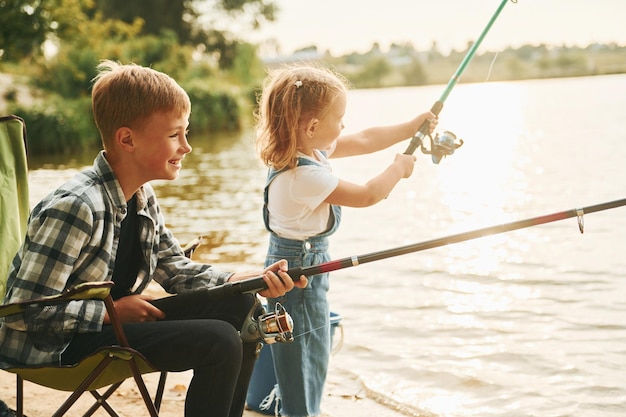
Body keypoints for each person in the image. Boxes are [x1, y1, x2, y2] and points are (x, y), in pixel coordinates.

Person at [0, 60, 307, 417]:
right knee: (219, 341)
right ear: (127, 139)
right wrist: (108, 312)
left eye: (186, 133)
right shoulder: (77, 206)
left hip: (113, 324)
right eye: (174, 135)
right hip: (58, 346)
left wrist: (246, 279)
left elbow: (176, 269)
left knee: (243, 309)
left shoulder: (142, 195)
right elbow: (25, 312)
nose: (187, 147)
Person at [254, 64, 437, 417]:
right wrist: (399, 168)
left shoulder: (308, 151)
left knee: (314, 354)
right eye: (339, 118)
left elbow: (367, 139)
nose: (344, 126)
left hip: (304, 270)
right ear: (311, 126)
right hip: (297, 278)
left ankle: (305, 410)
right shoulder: (301, 176)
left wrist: (412, 127)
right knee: (301, 361)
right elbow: (368, 194)